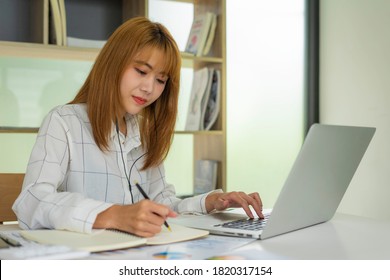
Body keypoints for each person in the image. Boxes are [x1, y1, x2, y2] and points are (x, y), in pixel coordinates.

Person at [12, 17, 263, 238]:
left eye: (160, 80)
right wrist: (113, 215)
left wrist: (209, 202)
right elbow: (32, 202)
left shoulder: (144, 132)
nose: (149, 88)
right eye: (141, 71)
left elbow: (160, 204)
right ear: (113, 63)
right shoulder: (64, 122)